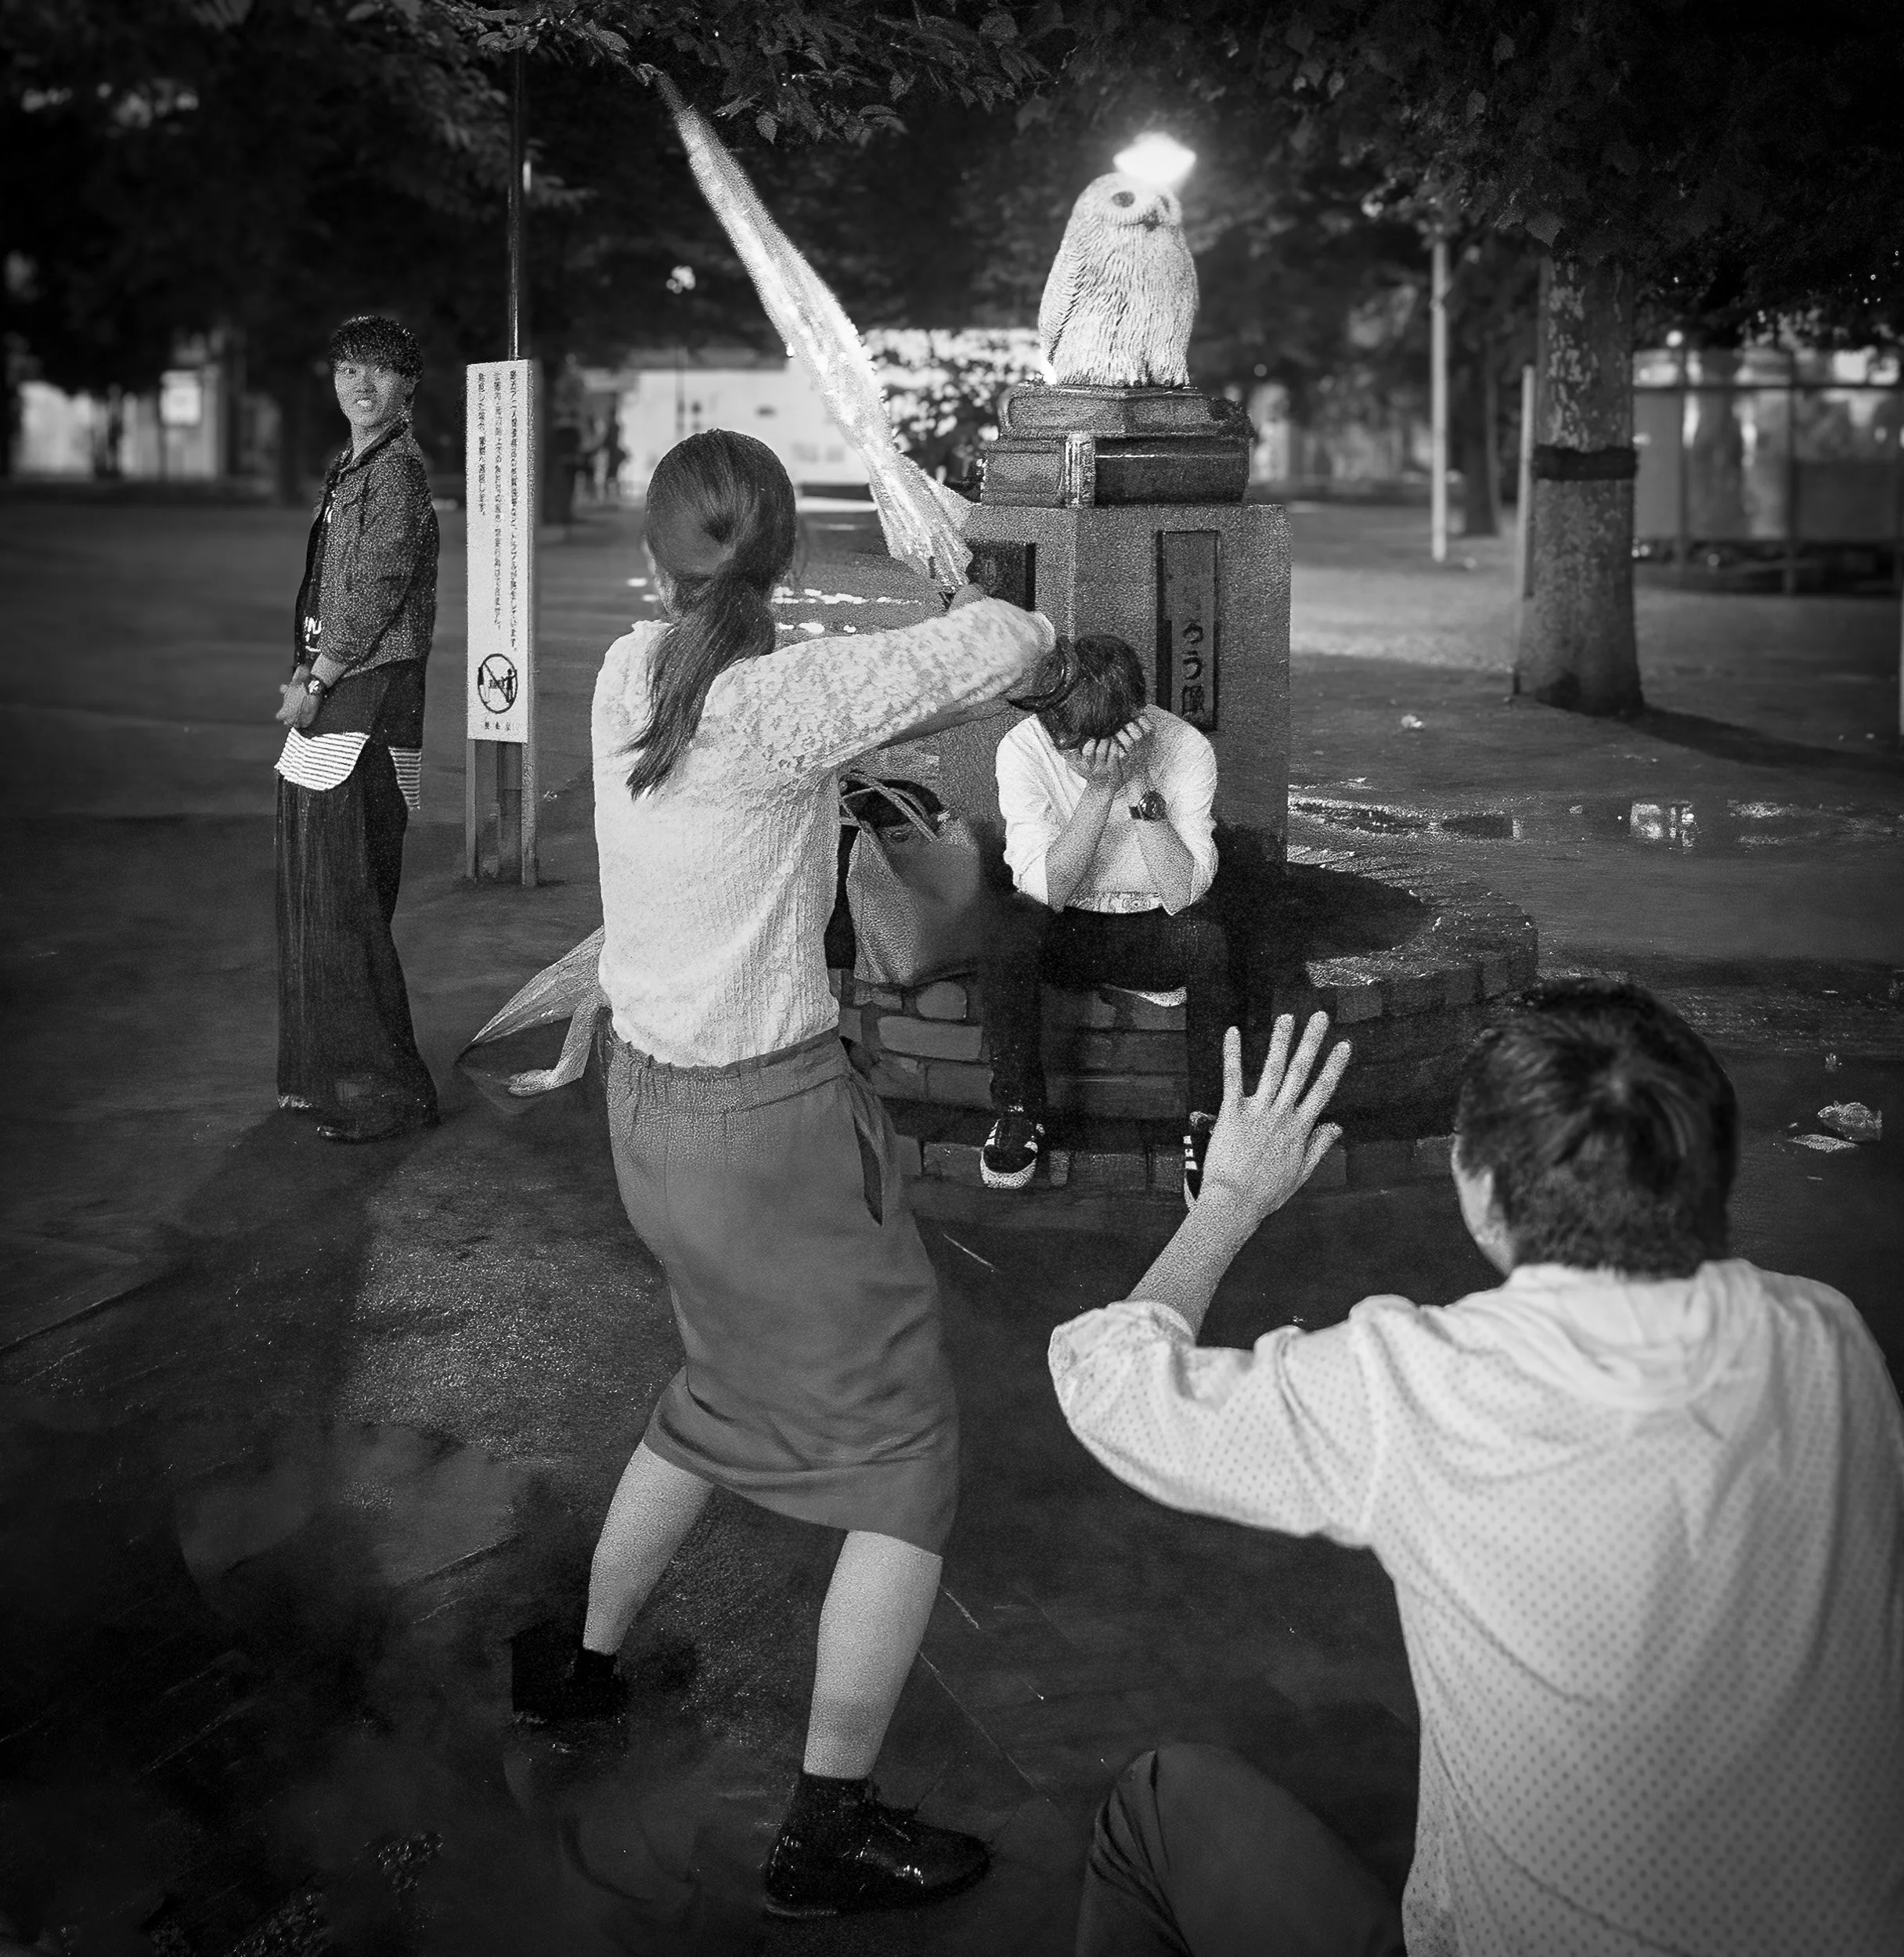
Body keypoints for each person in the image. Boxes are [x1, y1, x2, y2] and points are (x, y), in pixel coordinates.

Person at [1050, 981, 1904, 1957]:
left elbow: (1106, 1381)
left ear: (1480, 1193)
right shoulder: (1826, 1340)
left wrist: (1230, 1203)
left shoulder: (1423, 1390)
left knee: (1157, 1809)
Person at [510, 427, 1056, 1918]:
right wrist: (964, 569)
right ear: (783, 552)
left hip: (649, 1123)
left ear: (653, 549)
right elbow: (1014, 640)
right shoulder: (777, 704)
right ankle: (824, 1830)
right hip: (771, 1139)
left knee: (716, 1391)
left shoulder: (633, 675)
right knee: (906, 1466)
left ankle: (579, 1672)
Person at [979, 634, 1233, 1201]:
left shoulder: (1184, 747)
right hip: (1067, 923)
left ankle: (1206, 1120)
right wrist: (1099, 791)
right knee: (1008, 931)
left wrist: (1138, 780)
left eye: (1099, 746)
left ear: (1135, 719)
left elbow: (1181, 892)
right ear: (1049, 721)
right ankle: (1019, 1109)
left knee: (1210, 940)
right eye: (1071, 747)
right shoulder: (1024, 749)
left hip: (1153, 923)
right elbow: (1046, 889)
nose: (1082, 758)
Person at [274, 314, 439, 1144]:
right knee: (325, 894)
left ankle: (386, 1092)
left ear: (408, 386)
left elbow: (373, 590)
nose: (360, 385)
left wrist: (320, 676)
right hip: (337, 692)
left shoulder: (398, 473)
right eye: (347, 370)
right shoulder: (355, 465)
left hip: (368, 699)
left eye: (378, 372)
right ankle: (335, 1078)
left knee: (351, 899)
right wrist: (307, 674)